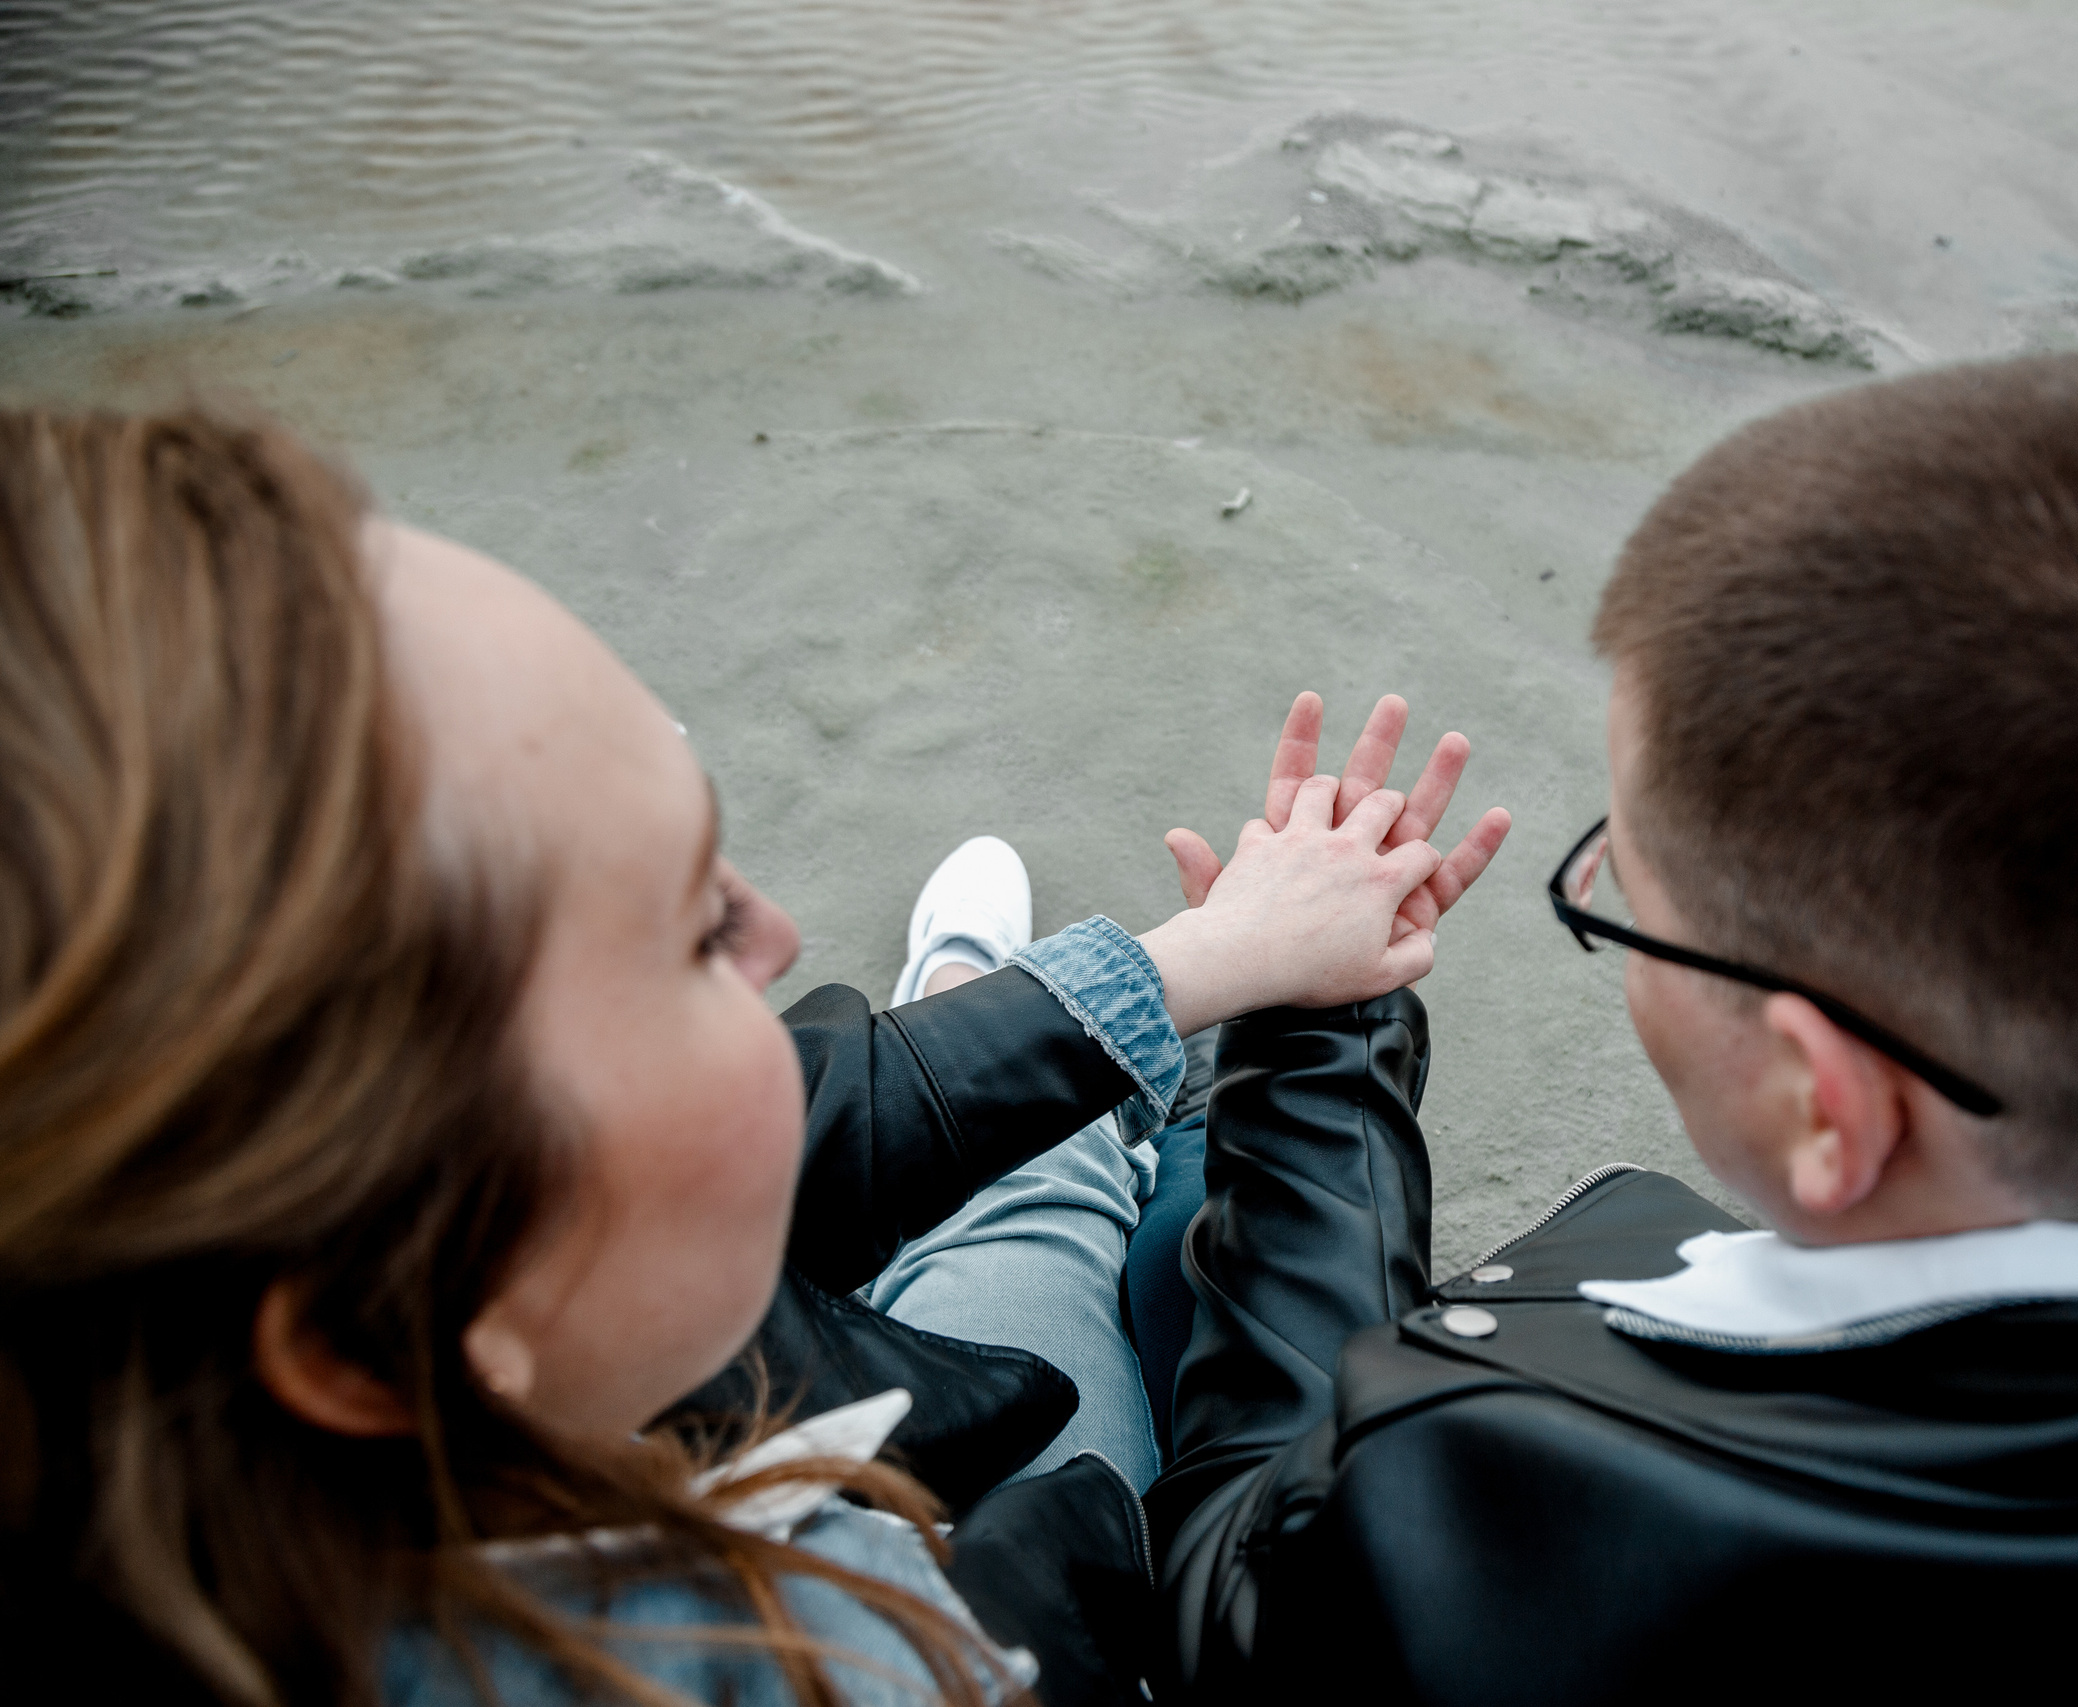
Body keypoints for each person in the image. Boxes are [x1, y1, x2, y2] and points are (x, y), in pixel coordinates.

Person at [0, 406, 1506, 1707]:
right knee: (1047, 1214)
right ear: (372, 1332)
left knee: (1022, 1164)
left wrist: (1206, 962)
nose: (780, 937)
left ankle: (1058, 1035)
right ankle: (1092, 1086)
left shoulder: (267, 1396)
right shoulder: (873, 1670)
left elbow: (796, 1124)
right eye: (698, 929)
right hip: (1014, 1552)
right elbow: (1294, 1603)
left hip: (838, 1434)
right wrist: (1323, 1038)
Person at [1149, 352, 2078, 1698]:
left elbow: (1239, 1581)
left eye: (1623, 886)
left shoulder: (1475, 1526)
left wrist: (1313, 1040)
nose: (1613, 892)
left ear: (1824, 1107)